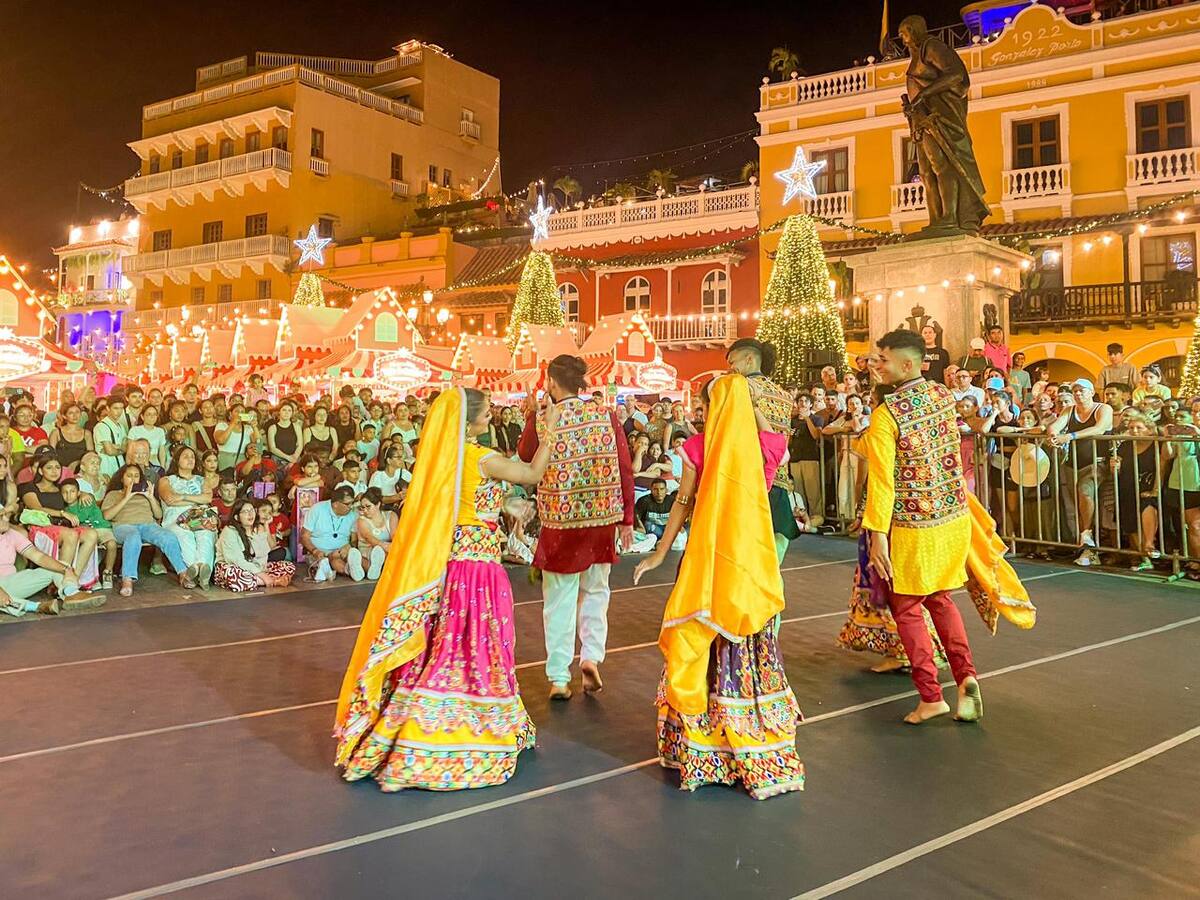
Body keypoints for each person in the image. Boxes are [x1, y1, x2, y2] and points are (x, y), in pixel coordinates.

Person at [335, 388, 560, 791]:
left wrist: (503, 508)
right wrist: (550, 433)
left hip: (452, 564)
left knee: (448, 644)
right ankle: (441, 735)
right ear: (469, 420)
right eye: (487, 414)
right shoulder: (479, 457)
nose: (490, 419)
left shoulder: (445, 460)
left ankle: (411, 729)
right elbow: (531, 474)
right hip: (478, 568)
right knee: (472, 647)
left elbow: (470, 503)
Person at [633, 374, 804, 799]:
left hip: (708, 564)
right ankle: (753, 745)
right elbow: (771, 431)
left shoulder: (697, 447)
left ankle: (702, 746)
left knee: (703, 637)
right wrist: (748, 404)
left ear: (709, 409)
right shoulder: (766, 447)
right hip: (749, 565)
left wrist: (659, 550)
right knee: (746, 640)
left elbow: (683, 501)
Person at [861, 329, 1035, 725]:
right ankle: (966, 676)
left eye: (883, 359)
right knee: (940, 600)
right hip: (951, 519)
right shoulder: (942, 396)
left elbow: (883, 481)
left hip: (913, 524)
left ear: (906, 364)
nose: (878, 366)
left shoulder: (887, 415)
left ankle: (930, 695)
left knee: (906, 608)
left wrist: (876, 535)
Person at [517, 354, 634, 700]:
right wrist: (626, 518)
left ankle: (558, 677)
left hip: (560, 521)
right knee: (597, 591)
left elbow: (526, 457)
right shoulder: (605, 415)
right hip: (601, 520)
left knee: (559, 600)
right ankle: (592, 657)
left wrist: (529, 415)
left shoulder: (544, 418)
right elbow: (625, 466)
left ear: (551, 383)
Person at [727, 338, 802, 559]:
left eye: (733, 362)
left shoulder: (740, 388)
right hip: (778, 480)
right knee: (772, 556)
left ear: (749, 359)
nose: (730, 369)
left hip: (746, 479)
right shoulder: (784, 395)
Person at [101, 463, 196, 596]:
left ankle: (183, 573)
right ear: (122, 479)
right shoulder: (114, 494)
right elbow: (107, 516)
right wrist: (126, 497)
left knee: (168, 536)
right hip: (124, 526)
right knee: (133, 536)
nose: (133, 479)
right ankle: (127, 579)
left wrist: (151, 497)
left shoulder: (145, 495)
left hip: (147, 525)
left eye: (136, 476)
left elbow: (158, 515)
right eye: (129, 476)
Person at [1047, 379, 1114, 566]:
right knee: (1079, 504)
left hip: (1096, 462)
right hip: (1073, 464)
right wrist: (1053, 435)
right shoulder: (1069, 410)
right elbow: (1055, 426)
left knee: (1085, 491)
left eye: (1081, 390)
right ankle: (1087, 546)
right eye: (1075, 391)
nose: (1077, 394)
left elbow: (1100, 429)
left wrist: (1070, 436)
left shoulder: (1103, 409)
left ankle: (1088, 538)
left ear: (1091, 392)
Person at [0, 509, 103, 616]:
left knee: (56, 567)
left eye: (5, 515)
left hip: (12, 583)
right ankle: (35, 607)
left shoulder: (12, 534)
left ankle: (71, 593)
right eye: (1, 516)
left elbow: (38, 556)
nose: (6, 519)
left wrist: (66, 569)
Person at [1110, 410, 1163, 572]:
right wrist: (1115, 467)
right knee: (1130, 521)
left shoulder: (1156, 445)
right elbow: (1116, 470)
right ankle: (1143, 557)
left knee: (1147, 506)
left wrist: (1155, 490)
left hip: (1149, 486)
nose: (1134, 431)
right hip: (1127, 486)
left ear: (1149, 429)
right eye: (1131, 427)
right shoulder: (1126, 445)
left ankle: (1149, 545)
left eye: (1139, 427)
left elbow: (1163, 468)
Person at [158, 446, 217, 587]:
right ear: (177, 460)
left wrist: (183, 496)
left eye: (192, 457)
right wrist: (196, 499)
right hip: (176, 517)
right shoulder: (166, 480)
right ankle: (195, 568)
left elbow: (208, 498)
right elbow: (169, 499)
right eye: (186, 456)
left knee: (206, 532)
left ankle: (203, 569)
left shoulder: (201, 480)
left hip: (199, 515)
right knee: (185, 534)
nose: (190, 459)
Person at [214, 499, 296, 591]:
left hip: (253, 567)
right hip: (232, 566)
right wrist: (262, 574)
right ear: (237, 517)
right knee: (234, 574)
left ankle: (257, 580)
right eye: (245, 511)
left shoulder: (258, 528)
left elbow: (263, 555)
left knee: (288, 566)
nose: (250, 514)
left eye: (252, 510)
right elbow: (237, 560)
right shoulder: (229, 531)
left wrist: (264, 527)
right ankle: (273, 581)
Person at [300, 485, 359, 582]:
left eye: (352, 503)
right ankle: (351, 571)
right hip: (319, 553)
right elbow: (304, 536)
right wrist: (315, 551)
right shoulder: (317, 509)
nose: (351, 507)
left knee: (342, 558)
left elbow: (354, 539)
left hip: (342, 552)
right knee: (333, 561)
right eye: (347, 504)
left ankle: (367, 570)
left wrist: (349, 546)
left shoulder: (353, 514)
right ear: (335, 504)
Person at [350, 487, 397, 581]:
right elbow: (369, 537)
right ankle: (359, 567)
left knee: (388, 553)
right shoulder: (361, 520)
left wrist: (393, 548)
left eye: (368, 506)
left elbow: (395, 536)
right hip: (367, 551)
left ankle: (373, 569)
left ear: (378, 504)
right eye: (362, 507)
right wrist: (384, 546)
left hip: (387, 551)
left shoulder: (391, 515)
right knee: (376, 552)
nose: (365, 510)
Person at [47, 402, 93, 472]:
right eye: (71, 413)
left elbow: (90, 455)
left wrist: (77, 463)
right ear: (64, 416)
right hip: (60, 471)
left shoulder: (87, 434)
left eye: (77, 412)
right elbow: (51, 456)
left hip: (81, 472)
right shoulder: (56, 433)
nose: (75, 415)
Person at [93, 398, 128, 479]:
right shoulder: (102, 426)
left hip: (120, 464)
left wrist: (116, 447)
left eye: (121, 408)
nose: (119, 412)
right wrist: (120, 448)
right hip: (106, 465)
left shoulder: (121, 426)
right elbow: (110, 451)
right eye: (115, 408)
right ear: (108, 408)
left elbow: (126, 447)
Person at [267, 401, 304, 467]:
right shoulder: (272, 428)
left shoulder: (297, 427)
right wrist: (288, 458)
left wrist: (294, 458)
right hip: (277, 459)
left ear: (292, 413)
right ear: (279, 412)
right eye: (284, 410)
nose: (286, 413)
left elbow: (300, 445)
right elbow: (272, 448)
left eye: (289, 410)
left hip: (294, 458)